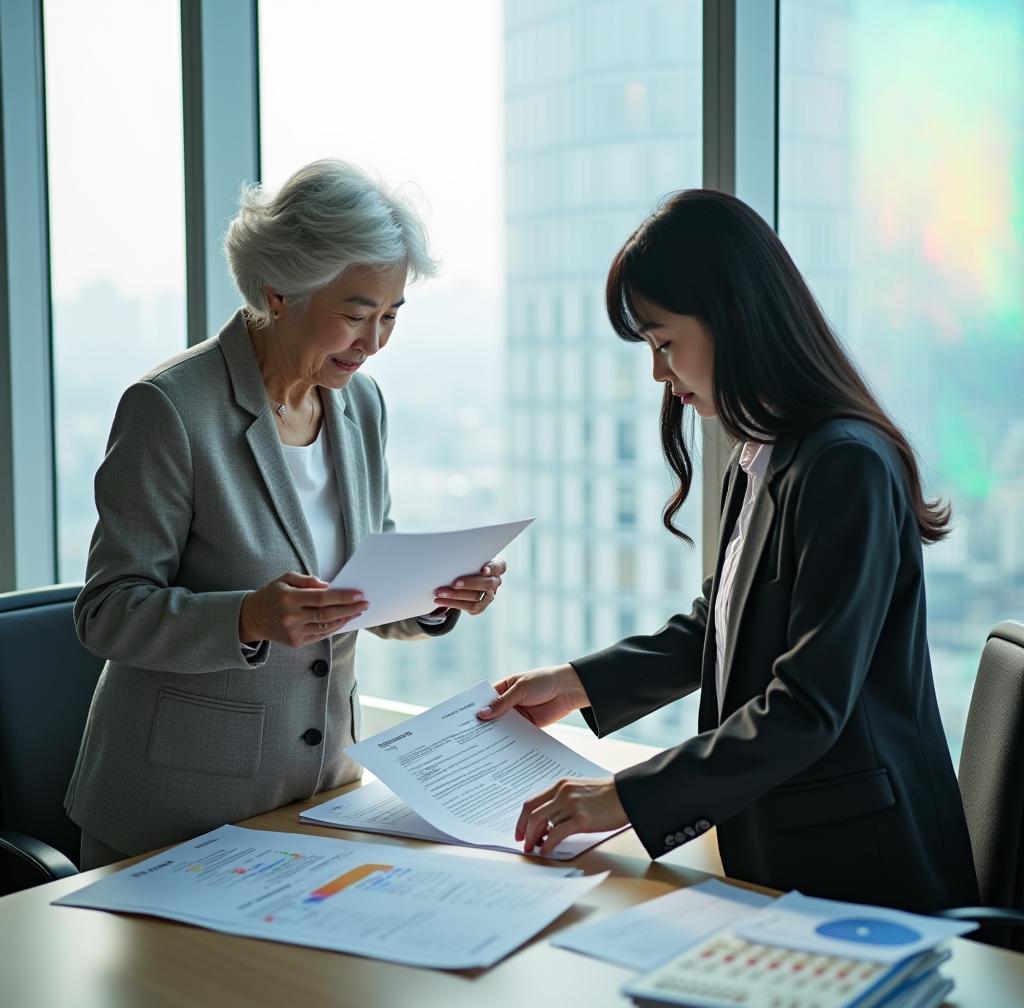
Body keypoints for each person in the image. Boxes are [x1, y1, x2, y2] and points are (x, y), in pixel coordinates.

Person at [479, 189, 979, 913]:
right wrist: (575, 682)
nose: (660, 374)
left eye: (664, 343)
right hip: (778, 855)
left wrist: (626, 796)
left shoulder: (845, 465)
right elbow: (721, 626)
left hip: (866, 875)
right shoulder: (764, 453)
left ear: (732, 317)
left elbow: (807, 703)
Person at [68, 159, 507, 869]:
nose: (374, 343)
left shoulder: (360, 405)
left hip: (318, 797)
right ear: (280, 293)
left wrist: (434, 594)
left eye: (392, 315)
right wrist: (246, 619)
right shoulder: (171, 410)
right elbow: (107, 612)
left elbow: (356, 581)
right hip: (176, 812)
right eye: (356, 314)